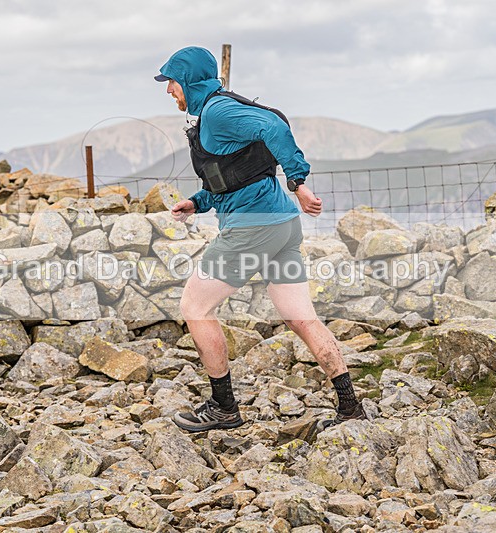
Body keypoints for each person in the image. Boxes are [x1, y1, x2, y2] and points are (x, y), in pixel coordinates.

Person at [155, 46, 364, 433]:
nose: (168, 90)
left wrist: (298, 182)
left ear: (188, 81)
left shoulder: (217, 112)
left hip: (253, 228)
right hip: (281, 225)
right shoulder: (215, 112)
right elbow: (234, 177)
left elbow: (274, 128)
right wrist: (198, 202)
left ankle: (224, 408)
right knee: (301, 318)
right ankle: (350, 406)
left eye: (171, 82)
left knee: (195, 306)